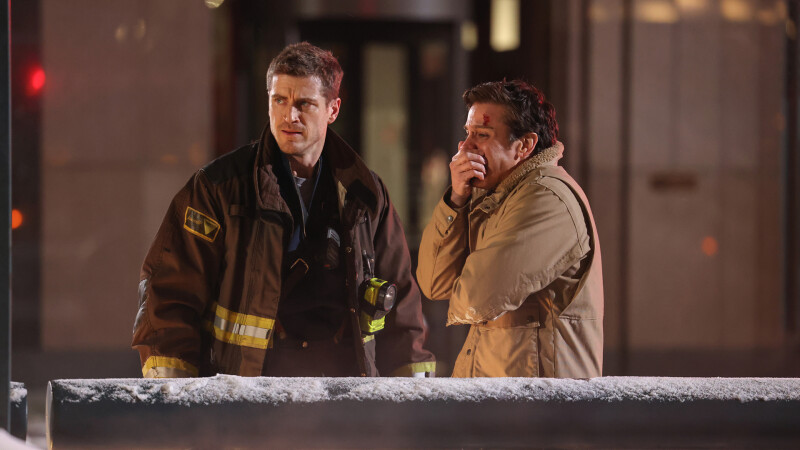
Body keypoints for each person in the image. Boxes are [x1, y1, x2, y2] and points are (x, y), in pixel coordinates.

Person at [133, 42, 435, 378]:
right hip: (248, 393)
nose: (290, 116)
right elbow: (169, 297)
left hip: (346, 391)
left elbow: (401, 304)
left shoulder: (364, 193)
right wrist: (174, 393)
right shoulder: (218, 188)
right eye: (279, 100)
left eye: (304, 104)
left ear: (332, 110)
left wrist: (412, 393)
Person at [417, 80, 603, 378]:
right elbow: (434, 283)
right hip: (503, 393)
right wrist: (456, 200)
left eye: (482, 134)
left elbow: (478, 297)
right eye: (467, 133)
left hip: (539, 398)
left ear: (525, 146)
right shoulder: (492, 195)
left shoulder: (547, 197)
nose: (465, 147)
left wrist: (466, 276)